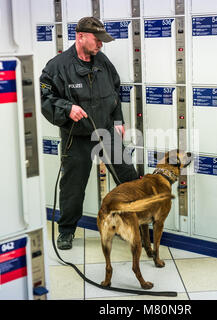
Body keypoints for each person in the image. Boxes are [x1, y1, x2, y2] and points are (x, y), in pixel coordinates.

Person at [40, 17, 138, 250]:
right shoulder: (57, 66)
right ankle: (66, 231)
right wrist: (67, 108)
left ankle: (137, 226)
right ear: (80, 36)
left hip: (106, 130)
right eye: (97, 40)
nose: (101, 45)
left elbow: (115, 91)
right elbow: (44, 96)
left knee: (129, 179)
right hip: (77, 135)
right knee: (73, 186)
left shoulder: (102, 61)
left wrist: (118, 120)